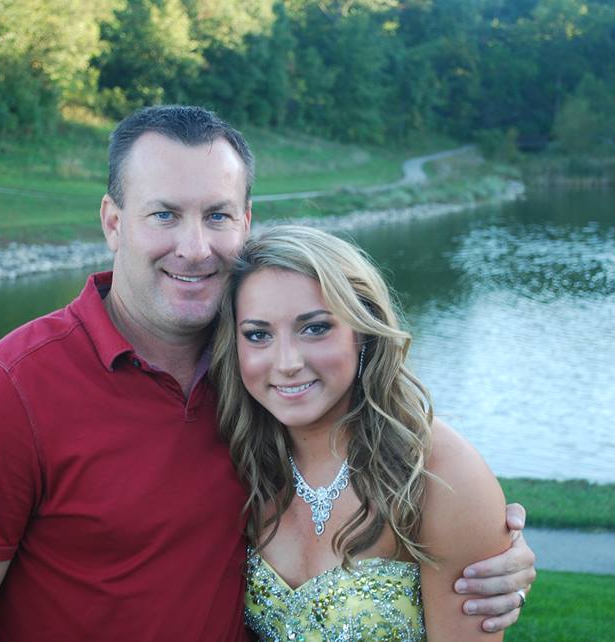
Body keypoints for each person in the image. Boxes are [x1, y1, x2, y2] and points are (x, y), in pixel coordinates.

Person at [0, 105, 535, 642]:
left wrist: (486, 548)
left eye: (217, 215)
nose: (195, 248)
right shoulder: (14, 387)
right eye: (164, 215)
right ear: (114, 222)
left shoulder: (261, 385)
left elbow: (395, 485)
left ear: (246, 222)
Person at [211, 225, 526, 640]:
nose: (287, 362)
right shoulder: (236, 458)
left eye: (315, 328)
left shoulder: (439, 472)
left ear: (362, 331)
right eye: (258, 335)